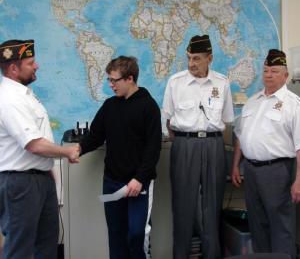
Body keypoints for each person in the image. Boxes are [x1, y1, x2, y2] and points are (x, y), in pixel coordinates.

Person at [0, 39, 80, 259]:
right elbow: (33, 144)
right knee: (20, 248)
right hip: (20, 183)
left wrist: (48, 173)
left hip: (38, 180)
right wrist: (67, 152)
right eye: (31, 63)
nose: (37, 66)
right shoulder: (9, 99)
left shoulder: (25, 96)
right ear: (14, 68)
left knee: (46, 246)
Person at [79, 55, 162, 259]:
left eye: (114, 80)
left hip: (137, 185)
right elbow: (96, 136)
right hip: (111, 184)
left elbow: (153, 148)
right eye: (109, 80)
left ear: (130, 78)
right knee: (115, 236)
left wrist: (139, 179)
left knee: (136, 234)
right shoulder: (110, 106)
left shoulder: (149, 107)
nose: (111, 85)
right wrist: (78, 149)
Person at [162, 34, 234, 259]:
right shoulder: (176, 82)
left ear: (209, 58)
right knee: (183, 207)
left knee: (212, 207)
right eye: (189, 58)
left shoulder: (222, 83)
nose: (191, 64)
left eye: (197, 59)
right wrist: (184, 140)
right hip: (184, 145)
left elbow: (228, 118)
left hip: (214, 145)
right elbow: (167, 120)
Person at [231, 49, 300, 259]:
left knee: (281, 226)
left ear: (286, 75)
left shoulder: (293, 104)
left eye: (274, 71)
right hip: (251, 171)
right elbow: (241, 137)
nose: (268, 74)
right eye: (266, 70)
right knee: (257, 224)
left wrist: (299, 181)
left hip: (277, 171)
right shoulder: (253, 101)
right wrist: (236, 166)